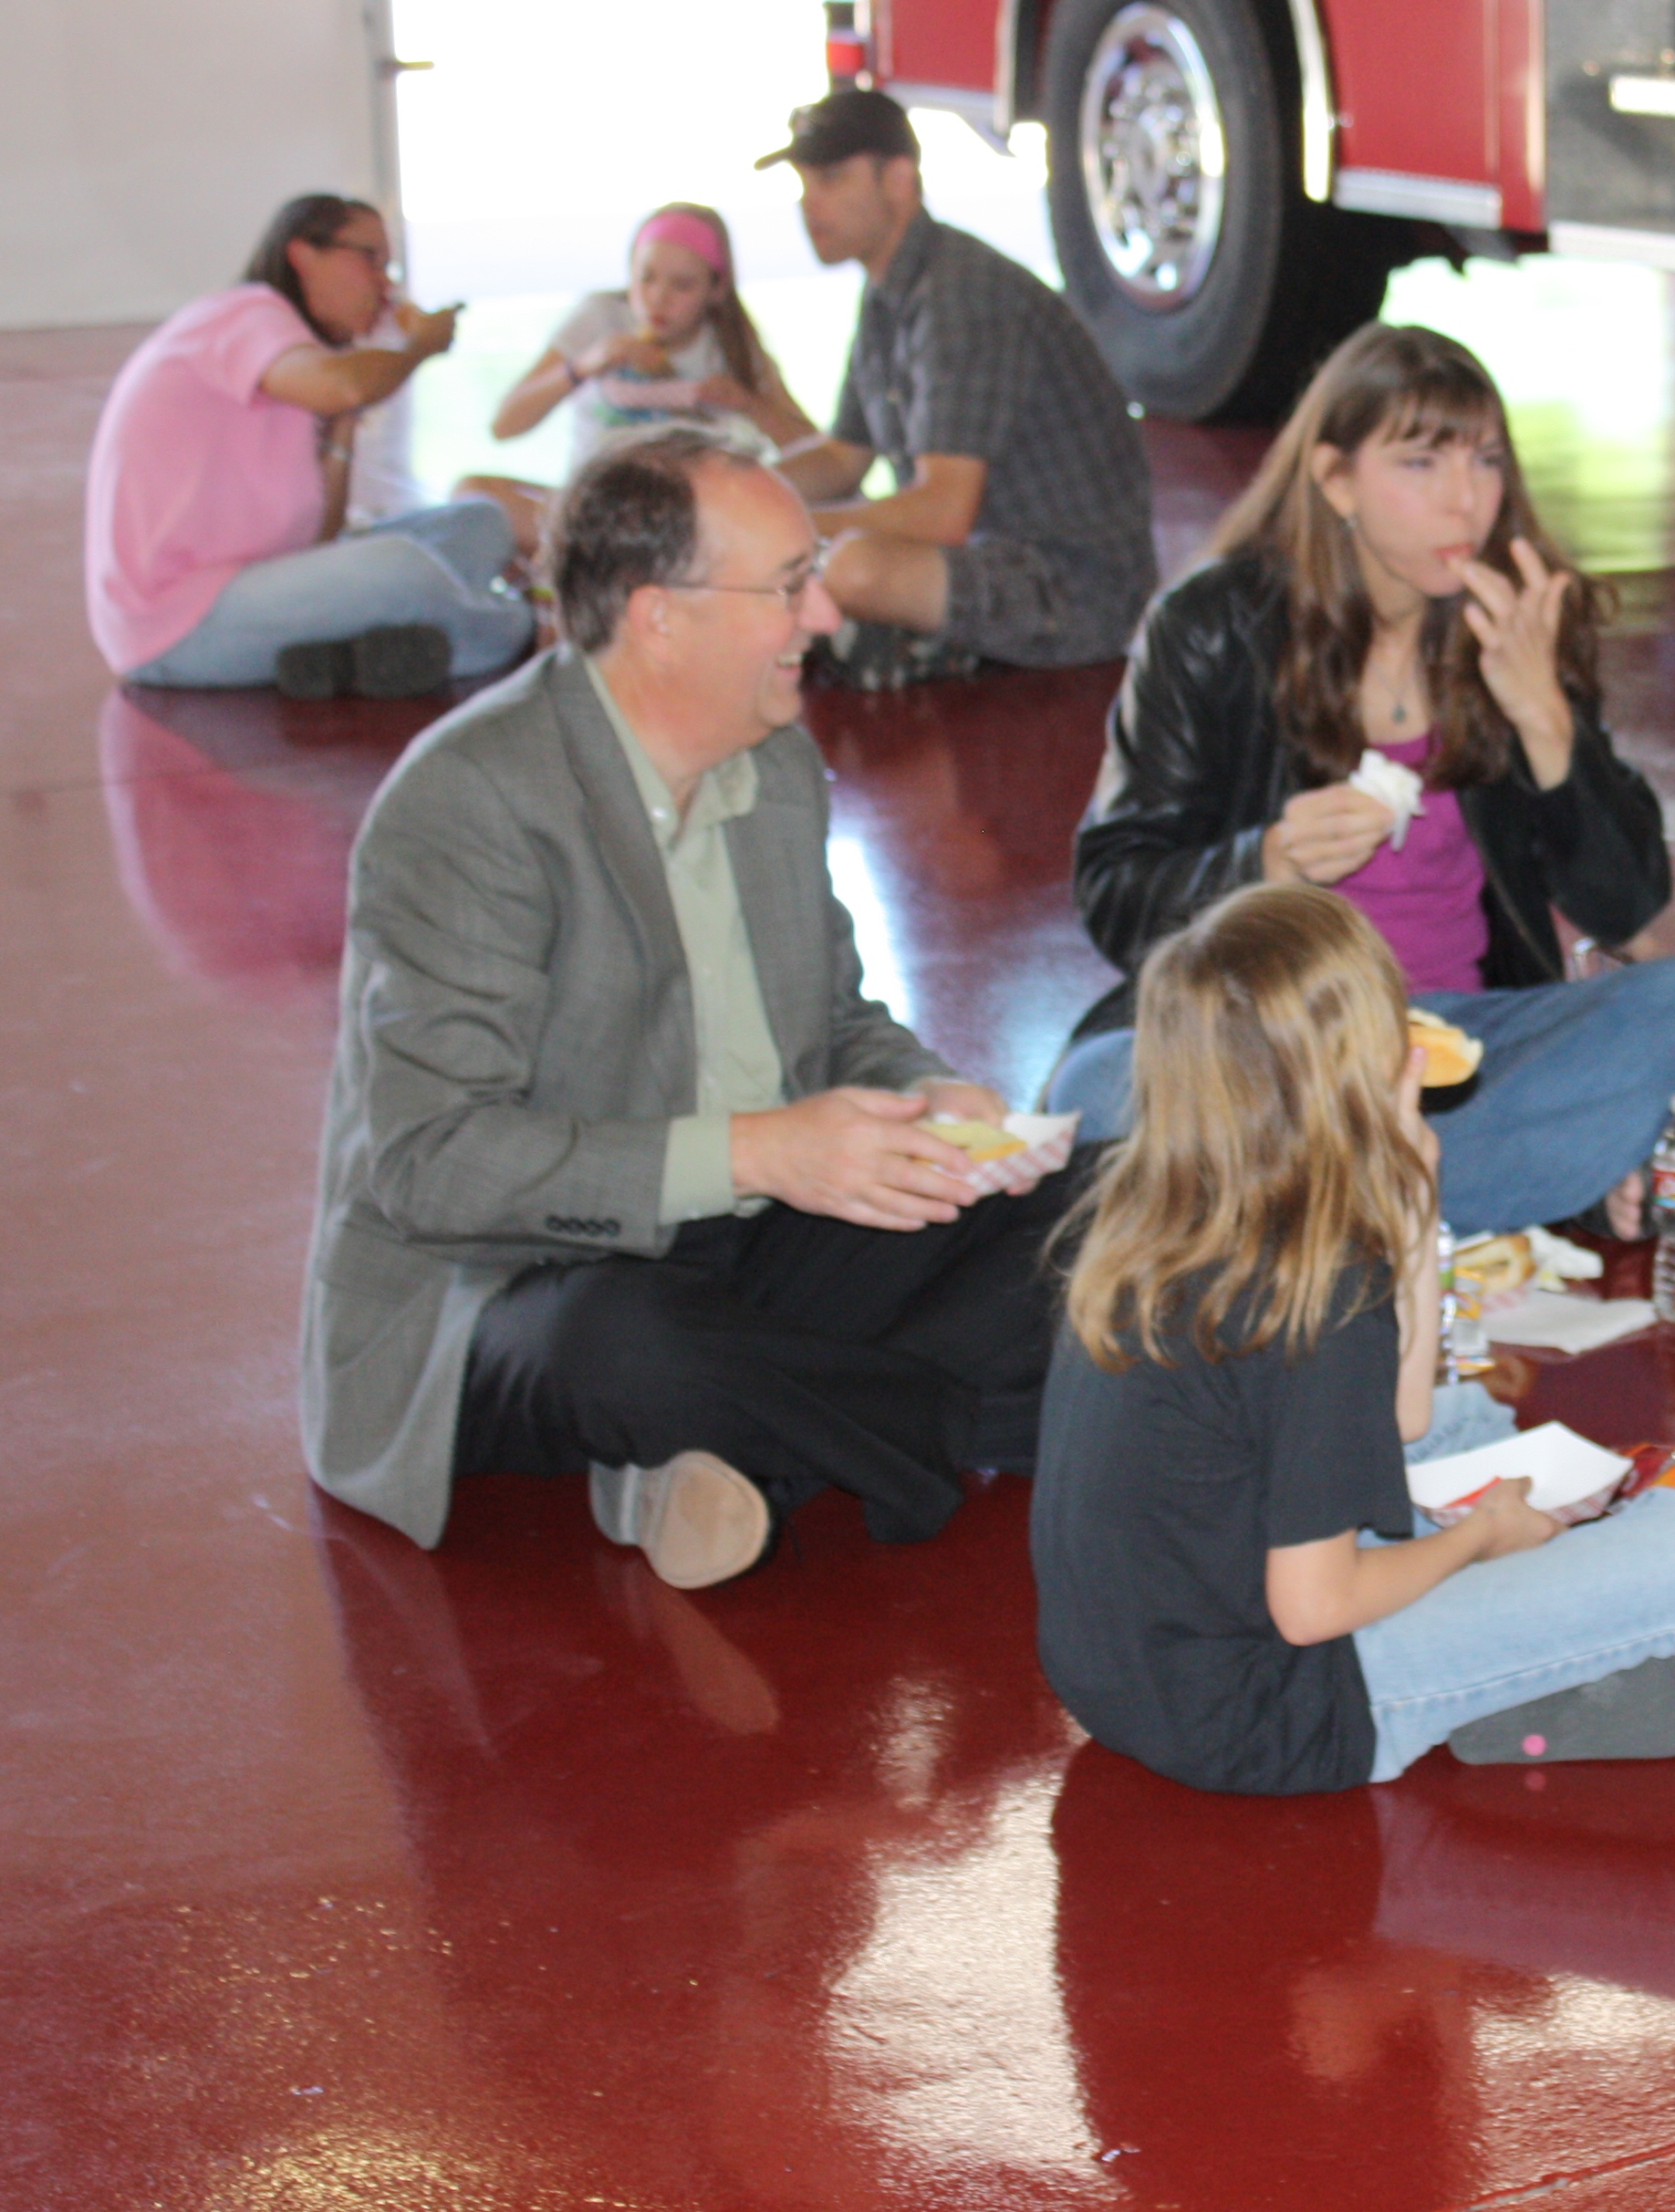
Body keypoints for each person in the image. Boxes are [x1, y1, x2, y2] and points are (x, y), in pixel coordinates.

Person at [301, 426, 1087, 1589]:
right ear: (658, 616)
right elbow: (432, 1166)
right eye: (788, 586)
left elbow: (834, 1020)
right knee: (627, 1348)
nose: (826, 615)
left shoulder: (774, 764)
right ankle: (935, 1429)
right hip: (523, 1275)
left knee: (1103, 1206)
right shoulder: (469, 801)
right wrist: (756, 1151)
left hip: (751, 1232)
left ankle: (738, 1450)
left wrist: (926, 1095)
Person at [1030, 882, 1675, 1793]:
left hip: (1127, 1675)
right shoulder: (1319, 1287)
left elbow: (1402, 1417)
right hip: (1269, 1710)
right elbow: (1313, 1607)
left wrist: (1416, 1199)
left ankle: (1524, 1634)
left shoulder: (1162, 1201)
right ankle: (1500, 1677)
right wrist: (1481, 1537)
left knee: (1466, 1417)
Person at [1045, 322, 1675, 1240]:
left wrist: (1544, 717)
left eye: (1486, 462)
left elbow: (1624, 907)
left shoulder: (1513, 621)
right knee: (1098, 1089)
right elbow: (1117, 893)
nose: (1466, 501)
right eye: (1421, 464)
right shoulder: (1211, 624)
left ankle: (1313, 1200)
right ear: (1335, 479)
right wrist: (1268, 859)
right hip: (1269, 1039)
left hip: (1463, 1045)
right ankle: (1499, 1182)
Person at [755, 88, 1156, 684]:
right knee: (819, 564)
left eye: (831, 179)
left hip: (1074, 587)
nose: (810, 205)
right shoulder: (890, 290)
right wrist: (744, 494)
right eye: (804, 184)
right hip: (989, 559)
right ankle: (875, 639)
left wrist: (781, 531)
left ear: (899, 180)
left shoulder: (960, 294)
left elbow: (942, 513)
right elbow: (844, 455)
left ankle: (881, 640)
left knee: (852, 568)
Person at [84, 193, 533, 699]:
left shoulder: (297, 358)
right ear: (302, 255)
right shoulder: (245, 315)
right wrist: (421, 346)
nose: (385, 285)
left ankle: (348, 656)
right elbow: (346, 385)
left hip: (257, 583)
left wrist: (342, 429)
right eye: (369, 259)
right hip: (176, 625)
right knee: (403, 567)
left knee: (480, 524)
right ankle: (513, 626)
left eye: (388, 267)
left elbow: (321, 538)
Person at [458, 203, 818, 557]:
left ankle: (600, 560)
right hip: (590, 506)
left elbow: (819, 453)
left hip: (683, 520)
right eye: (646, 278)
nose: (659, 298)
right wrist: (583, 366)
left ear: (716, 289)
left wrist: (749, 405)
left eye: (682, 285)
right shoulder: (601, 318)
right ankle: (608, 556)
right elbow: (504, 425)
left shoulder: (729, 345)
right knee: (474, 492)